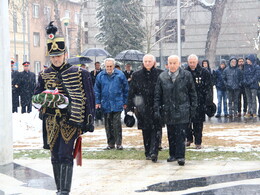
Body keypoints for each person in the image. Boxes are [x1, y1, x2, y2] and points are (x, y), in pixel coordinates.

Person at [32, 22, 95, 195]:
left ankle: (64, 191)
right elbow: (36, 96)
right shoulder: (43, 74)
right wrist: (43, 99)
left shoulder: (80, 73)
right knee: (55, 155)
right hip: (51, 122)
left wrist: (86, 121)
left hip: (70, 121)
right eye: (53, 57)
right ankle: (59, 188)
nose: (56, 59)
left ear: (65, 54)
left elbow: (88, 97)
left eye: (58, 56)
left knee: (65, 154)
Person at [154, 55, 197, 166]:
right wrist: (157, 108)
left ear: (179, 64)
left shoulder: (186, 75)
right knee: (171, 134)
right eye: (170, 63)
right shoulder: (162, 76)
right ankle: (172, 154)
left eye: (174, 63)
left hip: (182, 109)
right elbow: (158, 95)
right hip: (168, 110)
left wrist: (193, 108)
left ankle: (180, 156)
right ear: (167, 64)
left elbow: (192, 93)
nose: (172, 65)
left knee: (181, 134)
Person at [127, 54, 163, 162]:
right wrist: (131, 107)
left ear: (154, 62)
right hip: (142, 107)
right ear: (143, 63)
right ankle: (148, 152)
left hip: (156, 106)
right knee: (146, 131)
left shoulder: (160, 74)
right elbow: (132, 92)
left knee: (156, 130)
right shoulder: (137, 75)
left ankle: (154, 152)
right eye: (146, 61)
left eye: (149, 61)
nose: (147, 63)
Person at [94, 58, 128, 150]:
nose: (109, 68)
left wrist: (125, 102)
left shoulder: (120, 75)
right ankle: (110, 144)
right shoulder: (100, 76)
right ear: (105, 66)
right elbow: (97, 90)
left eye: (110, 66)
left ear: (114, 66)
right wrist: (97, 102)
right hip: (105, 103)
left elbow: (126, 89)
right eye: (107, 66)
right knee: (108, 125)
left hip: (117, 102)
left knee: (117, 124)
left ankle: (119, 143)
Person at [185, 54, 212, 149]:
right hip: (187, 101)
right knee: (186, 122)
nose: (192, 64)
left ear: (197, 62)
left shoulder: (204, 72)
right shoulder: (184, 72)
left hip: (200, 101)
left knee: (198, 123)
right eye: (190, 62)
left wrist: (208, 101)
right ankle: (189, 139)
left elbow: (208, 88)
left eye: (194, 62)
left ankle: (198, 142)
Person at [243, 54, 259, 118]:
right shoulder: (246, 67)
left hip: (253, 86)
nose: (247, 61)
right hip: (247, 86)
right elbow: (244, 75)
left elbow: (256, 76)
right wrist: (245, 81)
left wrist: (250, 82)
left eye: (248, 59)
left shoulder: (256, 67)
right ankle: (249, 112)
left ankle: (254, 112)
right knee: (248, 99)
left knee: (253, 100)